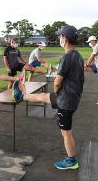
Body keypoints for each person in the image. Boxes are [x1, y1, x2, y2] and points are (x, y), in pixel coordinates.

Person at [12, 25, 84, 170]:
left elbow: (57, 82)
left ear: (65, 38)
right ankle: (22, 96)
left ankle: (71, 160)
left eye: (60, 36)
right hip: (69, 96)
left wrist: (57, 90)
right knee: (43, 96)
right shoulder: (78, 55)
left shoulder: (67, 57)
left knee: (66, 133)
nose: (59, 38)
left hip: (66, 100)